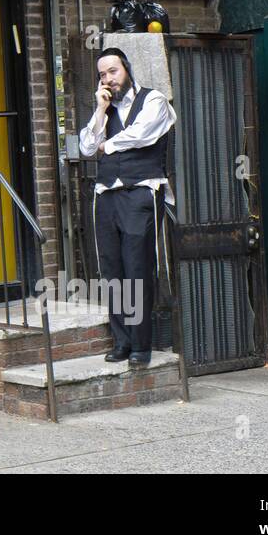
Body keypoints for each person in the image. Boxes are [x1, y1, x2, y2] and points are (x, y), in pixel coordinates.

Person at [78, 47, 176, 366]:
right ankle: (121, 341)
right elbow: (86, 146)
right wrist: (99, 110)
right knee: (112, 270)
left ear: (127, 69)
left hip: (140, 192)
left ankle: (141, 345)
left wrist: (107, 144)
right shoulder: (104, 109)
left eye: (113, 71)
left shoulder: (153, 100)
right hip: (106, 195)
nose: (108, 79)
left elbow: (142, 134)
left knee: (137, 268)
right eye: (102, 74)